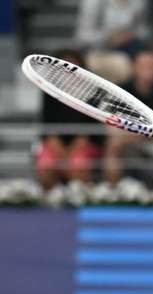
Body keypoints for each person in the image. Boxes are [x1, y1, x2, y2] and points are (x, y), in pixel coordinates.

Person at [104, 50, 153, 186]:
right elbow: (112, 129)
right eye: (145, 66)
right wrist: (143, 134)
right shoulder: (122, 91)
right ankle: (113, 191)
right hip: (132, 141)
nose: (150, 71)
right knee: (113, 145)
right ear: (134, 68)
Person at [35, 49, 101, 189]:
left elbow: (89, 131)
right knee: (46, 165)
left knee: (78, 165)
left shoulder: (93, 93)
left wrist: (70, 152)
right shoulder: (48, 92)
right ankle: (51, 203)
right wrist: (60, 152)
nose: (68, 71)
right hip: (55, 144)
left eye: (72, 66)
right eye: (64, 66)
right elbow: (47, 125)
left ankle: (77, 202)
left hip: (84, 144)